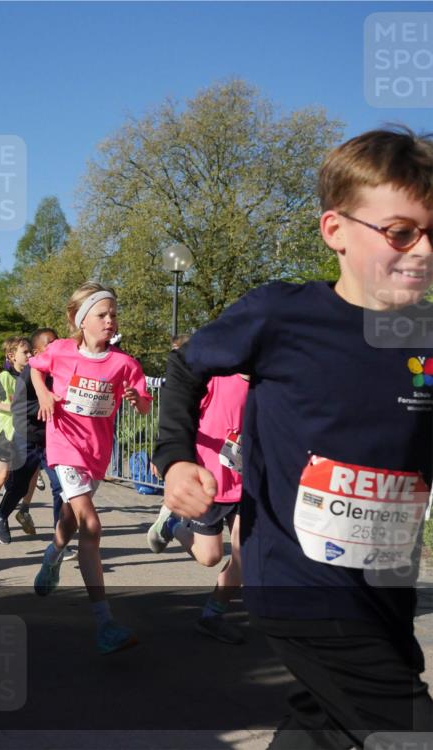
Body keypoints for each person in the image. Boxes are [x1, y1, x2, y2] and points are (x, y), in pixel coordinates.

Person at [154, 127, 432, 747]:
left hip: (384, 586)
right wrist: (174, 459)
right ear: (335, 230)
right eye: (401, 232)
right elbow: (185, 368)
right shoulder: (284, 314)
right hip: (297, 583)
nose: (423, 250)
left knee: (325, 725)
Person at [30, 281, 153, 654]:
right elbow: (36, 368)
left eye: (113, 314)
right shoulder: (60, 351)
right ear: (81, 320)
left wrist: (135, 399)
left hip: (96, 453)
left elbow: (145, 404)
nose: (110, 320)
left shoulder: (124, 363)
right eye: (102, 314)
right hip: (64, 445)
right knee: (92, 524)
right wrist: (44, 393)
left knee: (70, 519)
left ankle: (52, 555)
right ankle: (104, 623)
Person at [148, 373, 249, 644]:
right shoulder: (214, 378)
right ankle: (172, 525)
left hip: (247, 483)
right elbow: (180, 419)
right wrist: (167, 455)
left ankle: (212, 616)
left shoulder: (270, 384)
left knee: (245, 555)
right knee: (209, 557)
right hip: (209, 480)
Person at [0, 329, 67, 549]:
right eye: (49, 343)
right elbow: (17, 407)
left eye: (57, 342)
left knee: (60, 487)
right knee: (19, 486)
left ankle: (59, 541)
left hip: (51, 440)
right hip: (26, 437)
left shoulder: (62, 370)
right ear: (37, 352)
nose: (55, 346)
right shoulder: (30, 373)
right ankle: (0, 514)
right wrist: (45, 404)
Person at [0, 337, 32, 531]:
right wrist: (9, 407)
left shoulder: (33, 375)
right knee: (3, 475)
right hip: (6, 434)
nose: (29, 355)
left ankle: (24, 510)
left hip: (27, 434)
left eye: (30, 351)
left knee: (31, 476)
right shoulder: (4, 377)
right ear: (12, 356)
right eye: (25, 352)